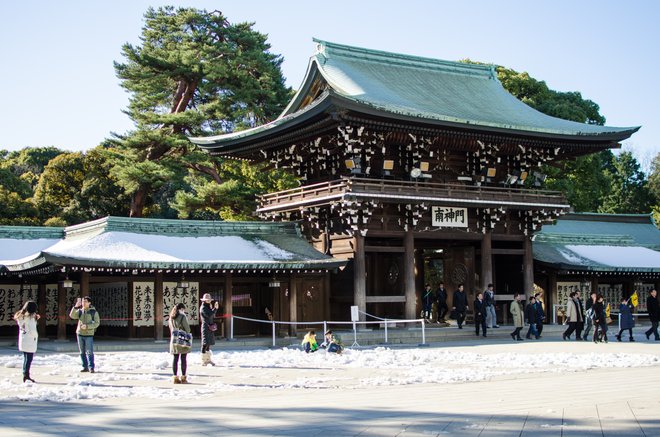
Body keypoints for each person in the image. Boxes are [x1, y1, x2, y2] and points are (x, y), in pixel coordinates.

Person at [69, 296, 100, 373]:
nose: (83, 303)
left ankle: (91, 367)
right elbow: (72, 316)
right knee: (82, 352)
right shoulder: (80, 311)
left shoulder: (93, 312)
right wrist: (76, 306)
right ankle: (84, 366)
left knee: (89, 351)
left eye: (85, 301)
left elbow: (97, 323)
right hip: (80, 333)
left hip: (89, 334)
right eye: (83, 301)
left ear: (89, 303)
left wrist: (87, 326)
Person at [14, 301, 39, 383]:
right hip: (30, 340)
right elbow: (32, 330)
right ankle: (26, 375)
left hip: (23, 339)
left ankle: (25, 374)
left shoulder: (21, 316)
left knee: (26, 358)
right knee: (29, 359)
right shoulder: (30, 318)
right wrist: (36, 336)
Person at [169, 303, 192, 384]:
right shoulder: (182, 316)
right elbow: (187, 328)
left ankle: (175, 377)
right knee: (183, 358)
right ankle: (183, 378)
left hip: (174, 339)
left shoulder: (171, 316)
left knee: (175, 359)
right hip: (182, 339)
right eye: (183, 309)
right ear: (181, 309)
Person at [199, 293, 219, 366]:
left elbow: (211, 314)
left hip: (209, 326)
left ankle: (208, 359)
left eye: (209, 299)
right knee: (205, 344)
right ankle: (204, 360)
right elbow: (209, 315)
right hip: (206, 327)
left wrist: (214, 309)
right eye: (207, 299)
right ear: (204, 300)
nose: (209, 300)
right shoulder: (203, 307)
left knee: (208, 343)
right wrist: (215, 308)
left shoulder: (207, 306)